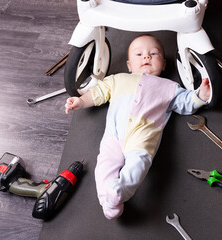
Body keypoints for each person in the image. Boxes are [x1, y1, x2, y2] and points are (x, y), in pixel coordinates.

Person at [65, 34, 211, 219]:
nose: (146, 57)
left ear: (164, 64)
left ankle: (120, 190)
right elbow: (98, 93)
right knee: (104, 165)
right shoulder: (117, 79)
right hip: (114, 135)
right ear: (129, 65)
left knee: (138, 165)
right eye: (139, 54)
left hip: (143, 136)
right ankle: (107, 200)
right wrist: (80, 101)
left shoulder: (169, 87)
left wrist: (200, 95)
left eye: (154, 53)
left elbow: (185, 102)